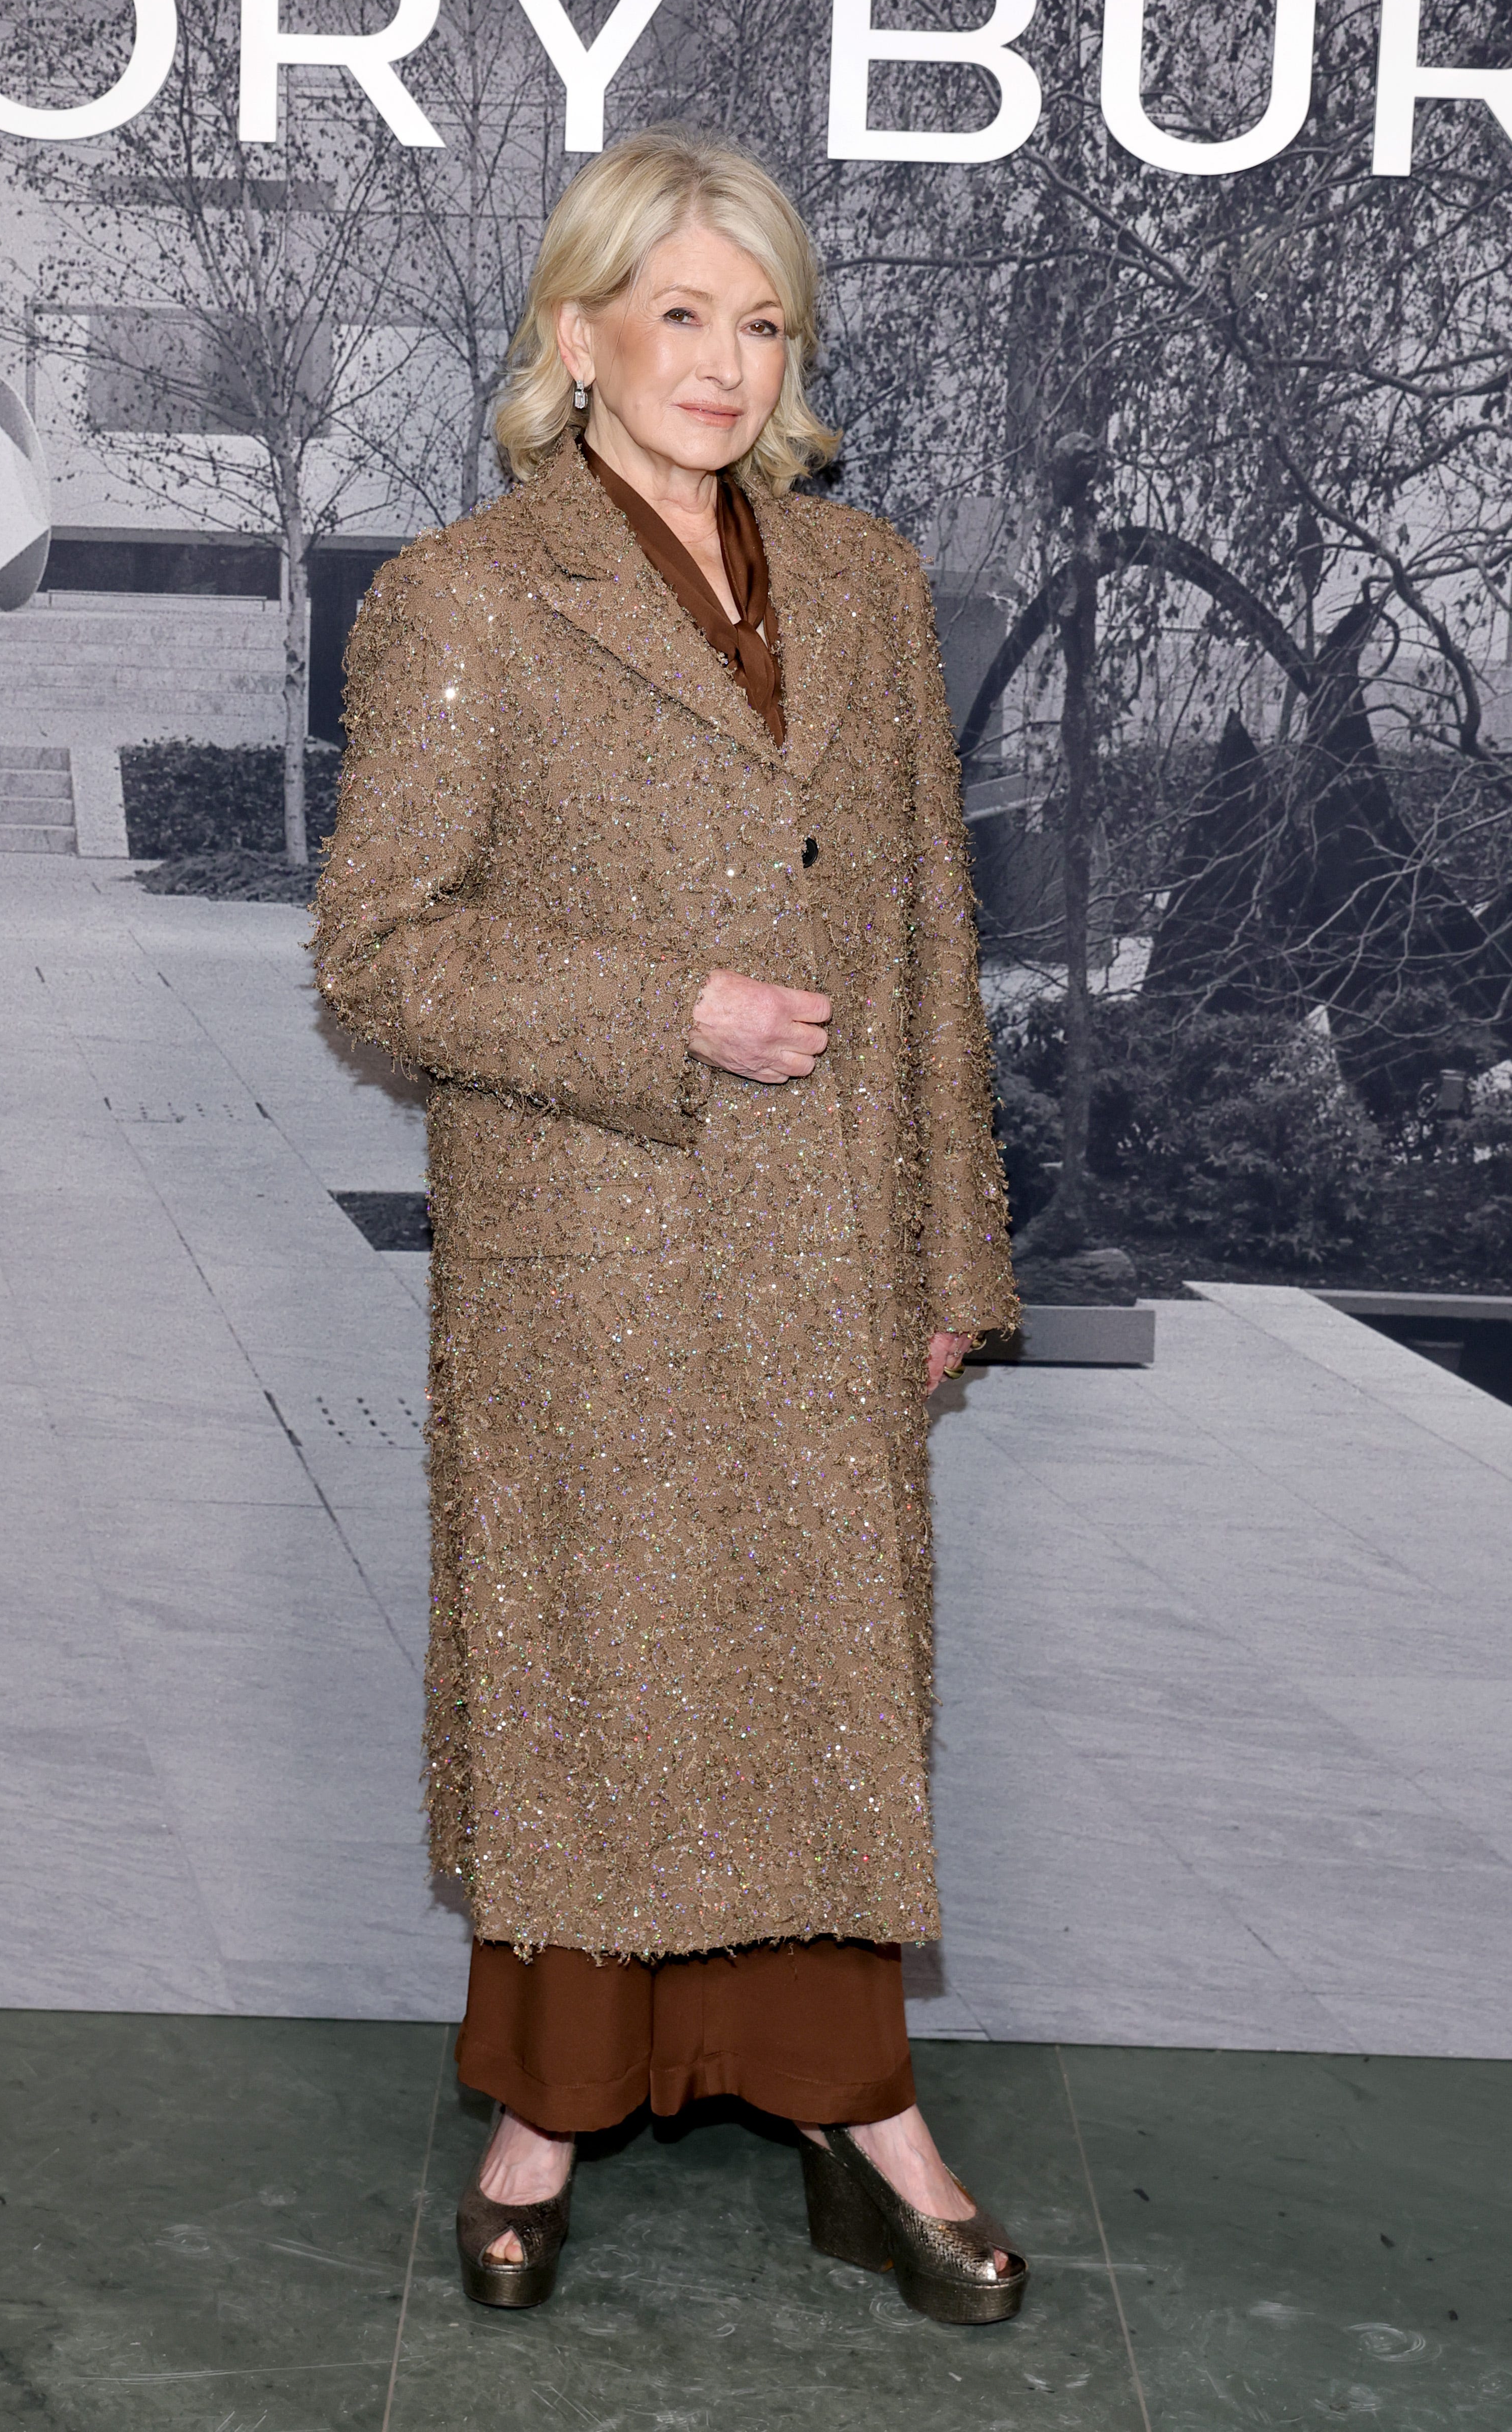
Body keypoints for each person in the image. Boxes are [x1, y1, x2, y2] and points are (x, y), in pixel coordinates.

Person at [312, 126, 1025, 2328]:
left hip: (825, 1252)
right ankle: (546, 2112)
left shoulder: (872, 586)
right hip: (594, 1253)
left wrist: (950, 1255)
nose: (723, 362)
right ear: (579, 330)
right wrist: (665, 1010)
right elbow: (379, 959)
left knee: (815, 1690)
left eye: (762, 319)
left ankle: (855, 2104)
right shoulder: (462, 594)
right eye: (682, 312)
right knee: (597, 1691)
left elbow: (926, 934)